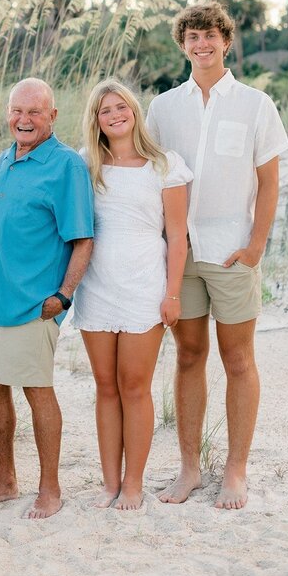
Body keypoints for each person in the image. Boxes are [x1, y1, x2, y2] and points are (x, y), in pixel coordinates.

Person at [146, 1, 288, 511]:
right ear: (182, 45)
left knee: (238, 358)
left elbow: (270, 183)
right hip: (179, 253)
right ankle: (188, 469)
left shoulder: (256, 104)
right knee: (188, 356)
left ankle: (236, 469)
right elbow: (146, 174)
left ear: (226, 41)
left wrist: (255, 246)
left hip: (232, 252)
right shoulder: (162, 108)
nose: (201, 44)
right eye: (191, 37)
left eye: (210, 36)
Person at [0, 77, 94, 520]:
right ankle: (5, 480)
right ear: (7, 113)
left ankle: (51, 488)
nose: (24, 119)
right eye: (17, 110)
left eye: (35, 111)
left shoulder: (66, 166)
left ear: (53, 116)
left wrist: (63, 296)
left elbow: (82, 240)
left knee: (37, 391)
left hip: (33, 303)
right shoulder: (3, 161)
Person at [73, 79, 190, 510]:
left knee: (134, 386)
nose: (115, 115)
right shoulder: (86, 163)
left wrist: (172, 294)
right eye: (105, 110)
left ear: (134, 111)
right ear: (96, 120)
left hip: (145, 284)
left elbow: (177, 236)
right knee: (105, 386)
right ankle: (109, 482)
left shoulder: (165, 164)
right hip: (97, 284)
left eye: (121, 106)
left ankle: (134, 483)